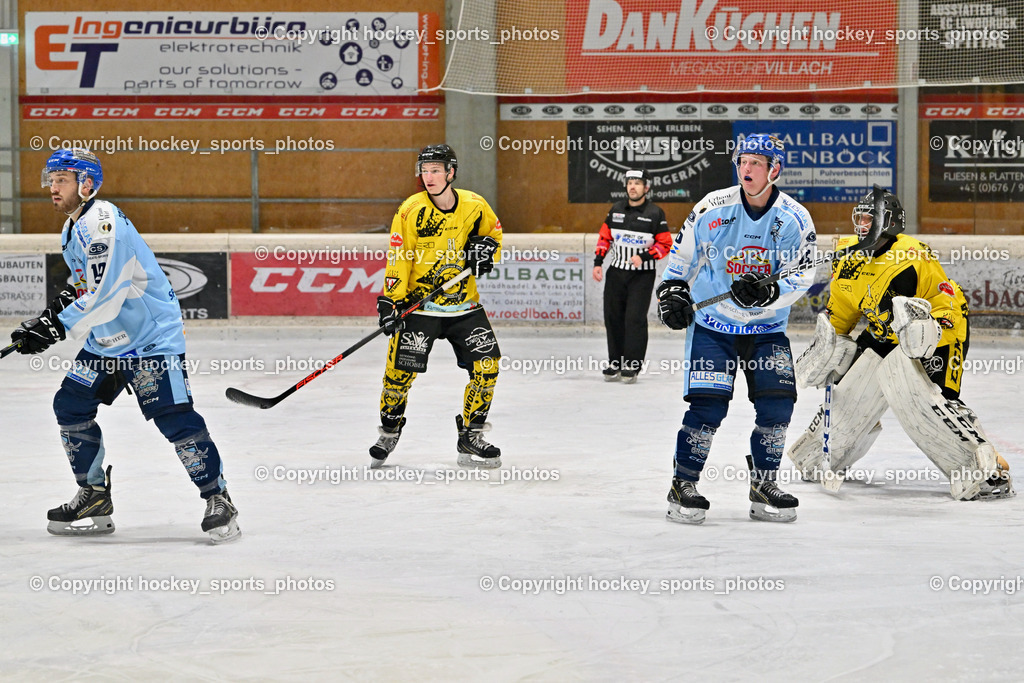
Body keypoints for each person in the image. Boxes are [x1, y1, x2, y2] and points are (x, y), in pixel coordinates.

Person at [12, 149, 239, 543]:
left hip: (150, 340)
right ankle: (94, 496)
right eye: (51, 180)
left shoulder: (102, 224)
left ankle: (218, 498)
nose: (53, 187)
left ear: (86, 184)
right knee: (70, 405)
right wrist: (48, 316)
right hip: (107, 342)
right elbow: (82, 285)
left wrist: (55, 327)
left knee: (174, 418)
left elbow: (108, 293)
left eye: (61, 180)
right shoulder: (72, 226)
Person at [787, 187, 1013, 500]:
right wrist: (828, 349)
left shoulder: (913, 255)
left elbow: (943, 300)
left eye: (870, 218)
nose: (862, 224)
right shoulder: (847, 256)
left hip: (936, 330)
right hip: (885, 330)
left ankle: (984, 468)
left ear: (889, 222)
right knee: (852, 394)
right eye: (860, 218)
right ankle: (819, 456)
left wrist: (928, 333)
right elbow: (841, 314)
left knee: (924, 400)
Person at [655, 134, 817, 524]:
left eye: (757, 163)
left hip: (766, 330)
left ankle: (764, 485)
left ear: (774, 169)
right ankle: (684, 484)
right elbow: (682, 257)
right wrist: (672, 291)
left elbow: (804, 274)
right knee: (707, 406)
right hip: (714, 326)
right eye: (743, 160)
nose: (747, 168)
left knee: (777, 406)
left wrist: (769, 292)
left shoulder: (795, 218)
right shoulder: (712, 207)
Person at [370, 144, 503, 469]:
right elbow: (399, 257)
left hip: (465, 306)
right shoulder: (410, 209)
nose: (428, 176)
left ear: (451, 173)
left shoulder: (474, 205)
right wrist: (390, 300)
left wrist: (487, 251)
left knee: (488, 369)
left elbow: (494, 237)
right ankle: (389, 429)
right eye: (424, 170)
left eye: (435, 170)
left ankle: (471, 434)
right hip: (420, 308)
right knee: (397, 377)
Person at [592, 169, 672, 383]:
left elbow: (665, 244)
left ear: (646, 187)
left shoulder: (655, 213)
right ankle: (615, 362)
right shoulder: (616, 209)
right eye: (630, 183)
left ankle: (632, 365)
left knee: (634, 319)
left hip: (642, 275)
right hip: (616, 273)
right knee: (613, 317)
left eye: (638, 183)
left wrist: (644, 256)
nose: (633, 187)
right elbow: (604, 238)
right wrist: (598, 263)